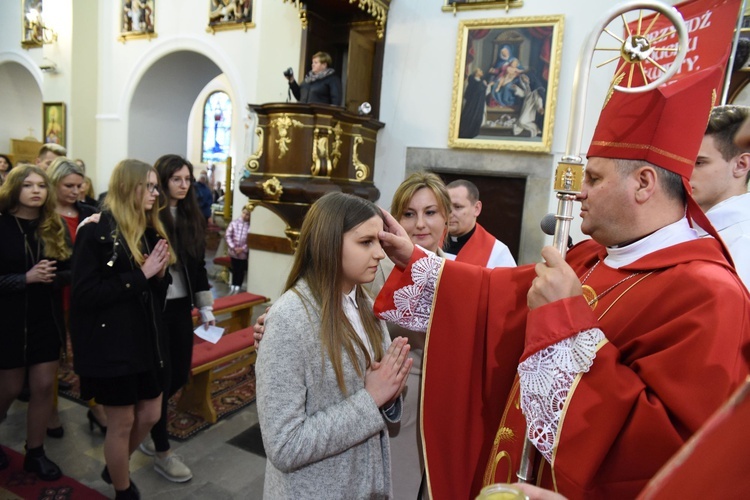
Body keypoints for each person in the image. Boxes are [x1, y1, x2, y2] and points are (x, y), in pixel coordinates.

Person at [373, 66, 750, 499]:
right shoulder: (593, 255)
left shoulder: (710, 295)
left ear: (644, 184)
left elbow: (669, 455)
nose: (578, 193)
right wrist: (417, 261)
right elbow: (495, 298)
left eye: (594, 178)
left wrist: (566, 323)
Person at [256, 192, 411, 498]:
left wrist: (390, 394)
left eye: (379, 242)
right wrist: (371, 398)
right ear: (328, 243)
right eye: (366, 242)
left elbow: (377, 399)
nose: (380, 253)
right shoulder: (290, 319)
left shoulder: (365, 303)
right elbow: (284, 445)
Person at [70, 159, 174, 500]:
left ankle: (116, 463)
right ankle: (123, 488)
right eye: (150, 186)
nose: (157, 194)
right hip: (110, 344)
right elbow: (85, 295)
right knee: (123, 422)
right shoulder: (95, 230)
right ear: (129, 186)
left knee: (151, 413)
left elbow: (156, 293)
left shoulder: (150, 229)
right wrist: (141, 277)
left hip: (146, 341)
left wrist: (159, 277)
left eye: (157, 187)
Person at [139, 154, 215, 482]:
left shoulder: (190, 217)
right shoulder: (147, 218)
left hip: (182, 306)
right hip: (156, 308)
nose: (184, 185)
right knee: (161, 376)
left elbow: (197, 267)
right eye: (176, 180)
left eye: (187, 179)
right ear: (163, 180)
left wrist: (207, 307)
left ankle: (146, 421)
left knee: (179, 374)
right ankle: (162, 450)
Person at [0, 164, 71, 481]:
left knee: (43, 386)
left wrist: (53, 278)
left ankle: (35, 452)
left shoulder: (54, 225)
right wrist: (24, 278)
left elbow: (73, 270)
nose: (36, 190)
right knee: (10, 388)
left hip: (46, 318)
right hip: (8, 320)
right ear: (14, 189)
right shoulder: (1, 225)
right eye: (28, 185)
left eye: (42, 185)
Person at [46, 157, 100, 435]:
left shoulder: (89, 211)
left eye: (80, 185)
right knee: (53, 357)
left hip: (85, 295)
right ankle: (51, 411)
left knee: (87, 352)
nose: (75, 191)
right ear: (54, 183)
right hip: (54, 295)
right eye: (69, 185)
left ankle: (96, 407)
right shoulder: (43, 217)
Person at [691, 104, 750, 287]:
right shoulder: (688, 226)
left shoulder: (743, 241)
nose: (685, 172)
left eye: (699, 163)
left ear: (741, 165)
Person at [445, 179, 516, 268]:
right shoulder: (431, 241)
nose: (450, 213)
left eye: (458, 207)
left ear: (476, 208)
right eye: (446, 206)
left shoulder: (497, 252)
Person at [225, 205, 251, 294]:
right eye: (244, 213)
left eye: (247, 214)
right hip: (234, 252)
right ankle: (233, 286)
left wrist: (243, 249)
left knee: (241, 271)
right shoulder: (234, 223)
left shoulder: (250, 226)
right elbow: (228, 235)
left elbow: (250, 240)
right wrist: (233, 247)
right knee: (234, 269)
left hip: (243, 253)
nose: (245, 215)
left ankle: (238, 287)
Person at [458, 68, 490, 139]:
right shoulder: (473, 81)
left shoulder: (481, 81)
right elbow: (474, 90)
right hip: (472, 104)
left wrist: (486, 86)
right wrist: (483, 85)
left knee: (477, 117)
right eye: (480, 70)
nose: (481, 71)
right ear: (476, 73)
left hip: (479, 104)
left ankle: (473, 132)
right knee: (469, 116)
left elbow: (484, 92)